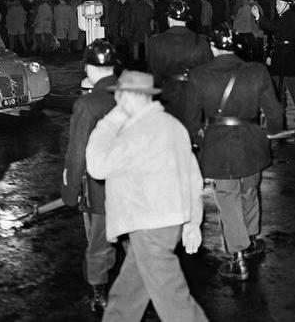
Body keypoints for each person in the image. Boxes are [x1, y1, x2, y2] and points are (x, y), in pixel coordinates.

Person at [86, 70, 208, 322]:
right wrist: (192, 222)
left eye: (120, 96)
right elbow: (193, 178)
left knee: (174, 302)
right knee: (127, 294)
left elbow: (97, 165)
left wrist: (109, 122)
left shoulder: (135, 132)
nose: (117, 102)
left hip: (149, 229)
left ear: (130, 96)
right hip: (166, 225)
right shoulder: (174, 126)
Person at [183, 24, 283, 280]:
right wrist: (271, 132)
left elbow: (192, 120)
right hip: (252, 142)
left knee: (227, 197)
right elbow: (275, 112)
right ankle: (250, 237)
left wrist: (196, 139)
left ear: (213, 47)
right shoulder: (257, 71)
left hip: (219, 144)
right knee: (250, 190)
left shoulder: (198, 75)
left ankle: (238, 255)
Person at [61, 40, 122, 312]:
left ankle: (99, 293)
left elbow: (77, 154)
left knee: (99, 241)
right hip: (137, 183)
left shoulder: (87, 105)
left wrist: (70, 190)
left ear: (88, 67)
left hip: (102, 187)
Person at [146, 0, 212, 123]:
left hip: (167, 92)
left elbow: (153, 74)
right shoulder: (201, 42)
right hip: (194, 92)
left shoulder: (156, 42)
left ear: (169, 18)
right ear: (187, 20)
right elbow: (207, 72)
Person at [251, 0, 295, 126]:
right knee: (291, 84)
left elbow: (274, 28)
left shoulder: (289, 17)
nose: (276, 6)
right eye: (276, 3)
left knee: (279, 85)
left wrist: (259, 16)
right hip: (285, 54)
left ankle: (280, 116)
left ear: (287, 5)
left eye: (279, 4)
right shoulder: (286, 16)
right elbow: (275, 31)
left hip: (285, 56)